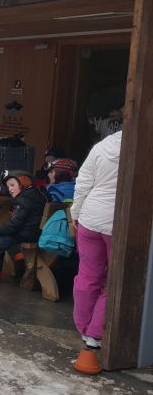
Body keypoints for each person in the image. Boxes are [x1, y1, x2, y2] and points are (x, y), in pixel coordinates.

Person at [70, 131, 121, 375]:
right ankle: (95, 334)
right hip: (118, 222)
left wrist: (75, 214)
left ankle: (83, 326)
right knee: (114, 282)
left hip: (90, 217)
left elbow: (82, 183)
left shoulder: (102, 147)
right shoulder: (141, 148)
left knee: (88, 275)